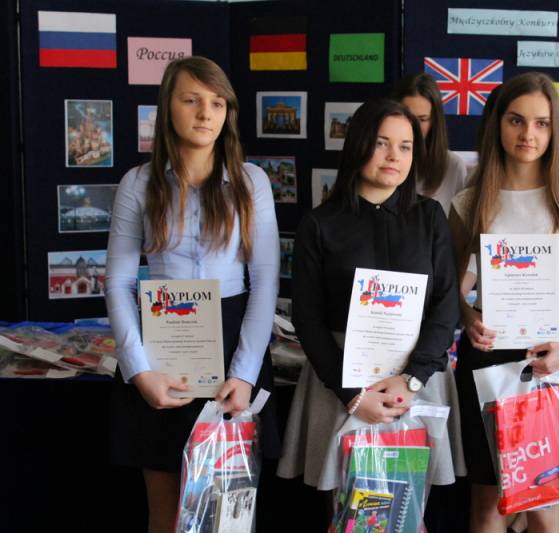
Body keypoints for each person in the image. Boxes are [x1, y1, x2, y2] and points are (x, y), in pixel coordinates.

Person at [105, 56, 281, 533]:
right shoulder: (138, 183)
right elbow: (119, 282)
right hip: (162, 346)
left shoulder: (251, 181)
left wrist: (244, 374)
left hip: (234, 343)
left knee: (229, 510)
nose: (206, 113)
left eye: (217, 103)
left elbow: (265, 281)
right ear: (168, 107)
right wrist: (139, 370)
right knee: (166, 513)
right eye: (191, 100)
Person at [276, 98, 465, 519]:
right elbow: (307, 318)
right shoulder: (320, 223)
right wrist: (352, 396)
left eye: (405, 146)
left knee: (407, 513)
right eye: (381, 143)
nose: (394, 156)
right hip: (341, 384)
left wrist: (413, 379)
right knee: (351, 515)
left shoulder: (430, 216)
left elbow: (446, 303)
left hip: (416, 379)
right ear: (358, 144)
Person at [448, 72, 559, 533]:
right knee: (487, 501)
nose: (528, 134)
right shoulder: (470, 201)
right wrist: (467, 317)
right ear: (498, 124)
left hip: (552, 355)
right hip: (488, 354)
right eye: (516, 120)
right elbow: (455, 286)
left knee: (547, 503)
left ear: (555, 129)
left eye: (541, 123)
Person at [391, 72, 468, 216]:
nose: (413, 127)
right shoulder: (381, 160)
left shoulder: (453, 165)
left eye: (422, 119)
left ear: (434, 121)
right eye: (407, 117)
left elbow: (458, 225)